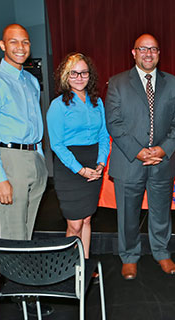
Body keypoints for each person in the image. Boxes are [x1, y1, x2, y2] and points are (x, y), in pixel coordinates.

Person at [0, 23, 52, 316]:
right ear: (2, 45)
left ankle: (22, 287)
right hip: (10, 161)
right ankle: (20, 297)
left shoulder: (31, 81)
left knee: (26, 232)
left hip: (34, 159)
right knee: (12, 233)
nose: (20, 47)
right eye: (14, 42)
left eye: (25, 42)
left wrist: (41, 160)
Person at [105, 34, 175, 279]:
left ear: (159, 53)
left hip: (162, 161)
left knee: (161, 212)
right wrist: (139, 152)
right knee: (128, 214)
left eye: (153, 49)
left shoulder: (173, 84)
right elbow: (114, 123)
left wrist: (162, 150)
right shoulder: (117, 83)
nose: (148, 53)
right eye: (143, 49)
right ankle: (129, 256)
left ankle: (161, 252)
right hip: (129, 162)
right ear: (134, 52)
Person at [47, 53, 110, 259]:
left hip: (93, 161)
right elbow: (57, 144)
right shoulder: (58, 105)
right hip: (70, 167)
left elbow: (103, 135)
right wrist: (80, 170)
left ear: (89, 75)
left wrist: (101, 163)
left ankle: (84, 265)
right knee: (74, 224)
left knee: (87, 220)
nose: (79, 77)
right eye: (73, 73)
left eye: (83, 72)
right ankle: (67, 269)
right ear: (65, 76)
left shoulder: (97, 102)